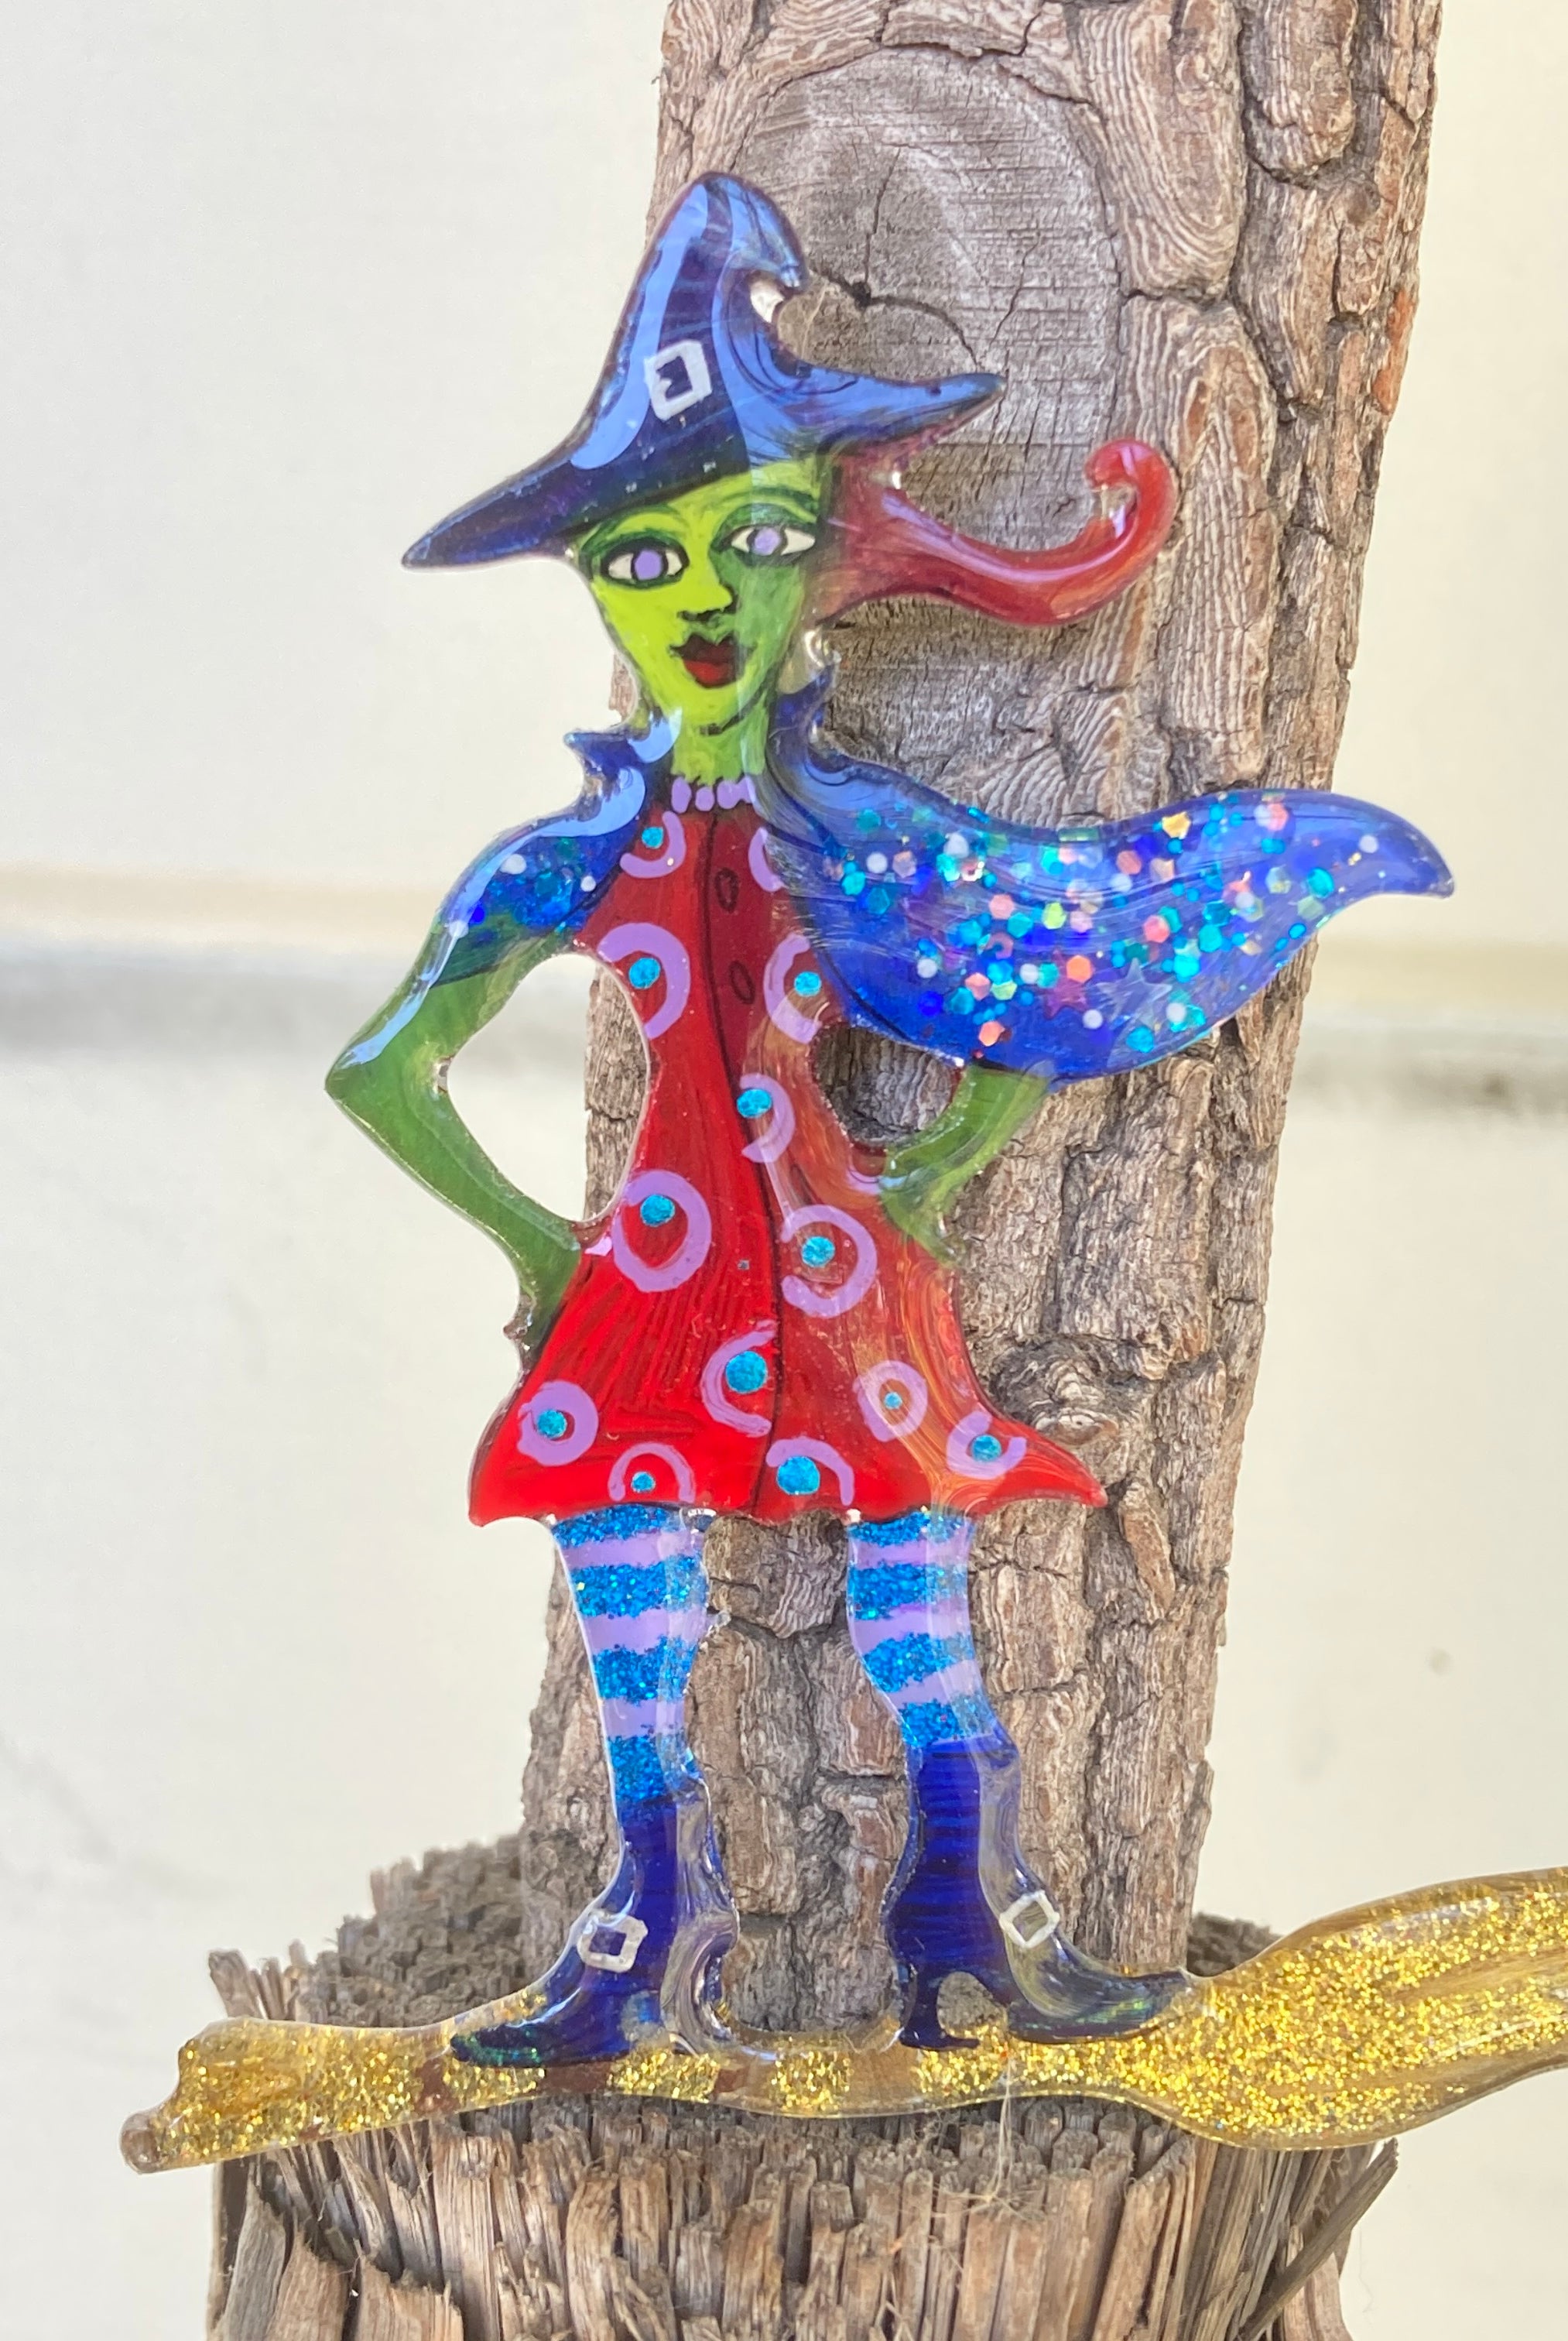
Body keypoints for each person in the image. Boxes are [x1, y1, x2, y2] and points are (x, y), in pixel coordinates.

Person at [329, 175, 1450, 2069]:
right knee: (695, 1557)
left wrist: (921, 1166)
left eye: (753, 541)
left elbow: (1028, 976)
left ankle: (940, 1914)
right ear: (596, 581)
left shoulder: (820, 840)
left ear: (824, 559)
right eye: (644, 559)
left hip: (759, 1258)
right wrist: (545, 1241)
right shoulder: (596, 855)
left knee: (883, 1556)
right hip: (711, 1263)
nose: (701, 600)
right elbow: (379, 1071)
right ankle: (702, 1921)